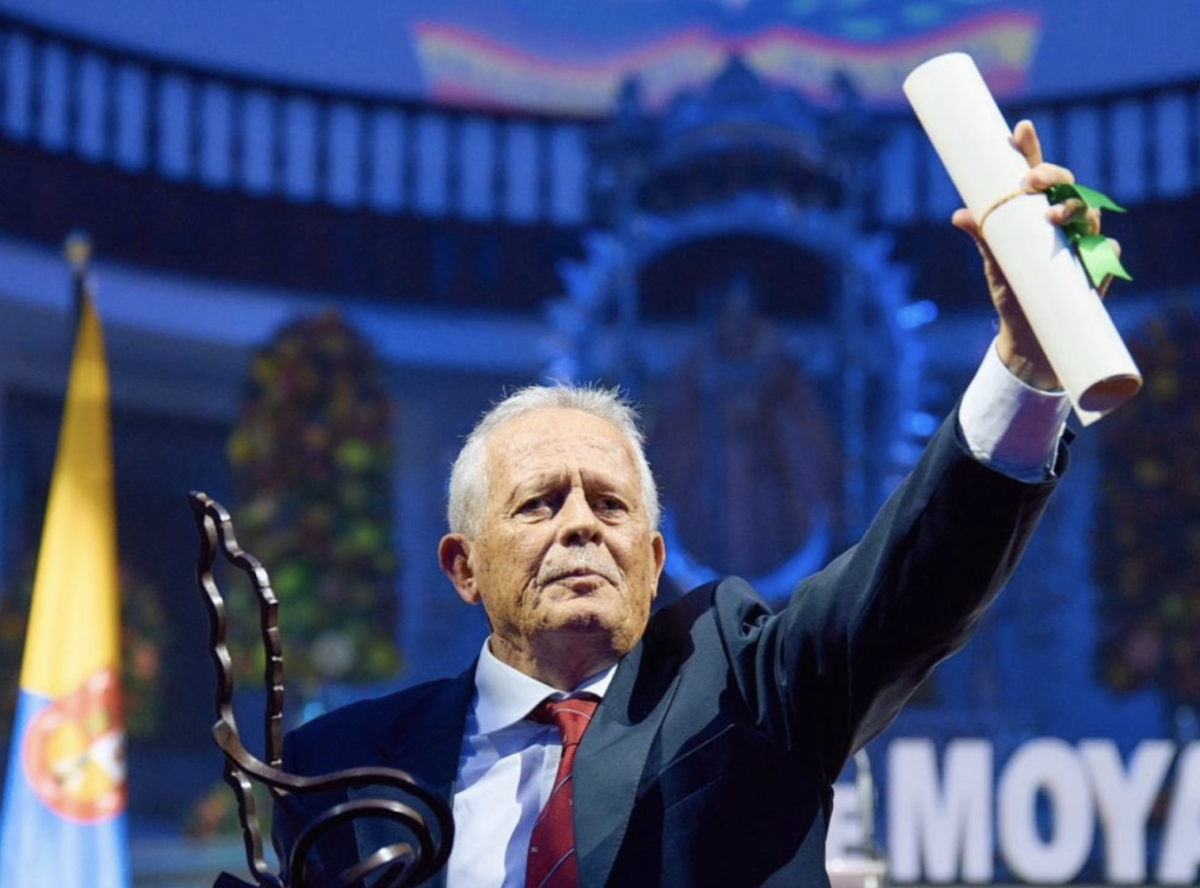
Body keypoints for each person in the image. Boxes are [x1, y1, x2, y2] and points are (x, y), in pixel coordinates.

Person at [272, 121, 1112, 887]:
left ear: (653, 560)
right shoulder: (341, 765)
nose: (580, 524)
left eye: (610, 505)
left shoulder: (748, 698)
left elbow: (912, 584)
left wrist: (1025, 366)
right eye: (540, 504)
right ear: (463, 566)